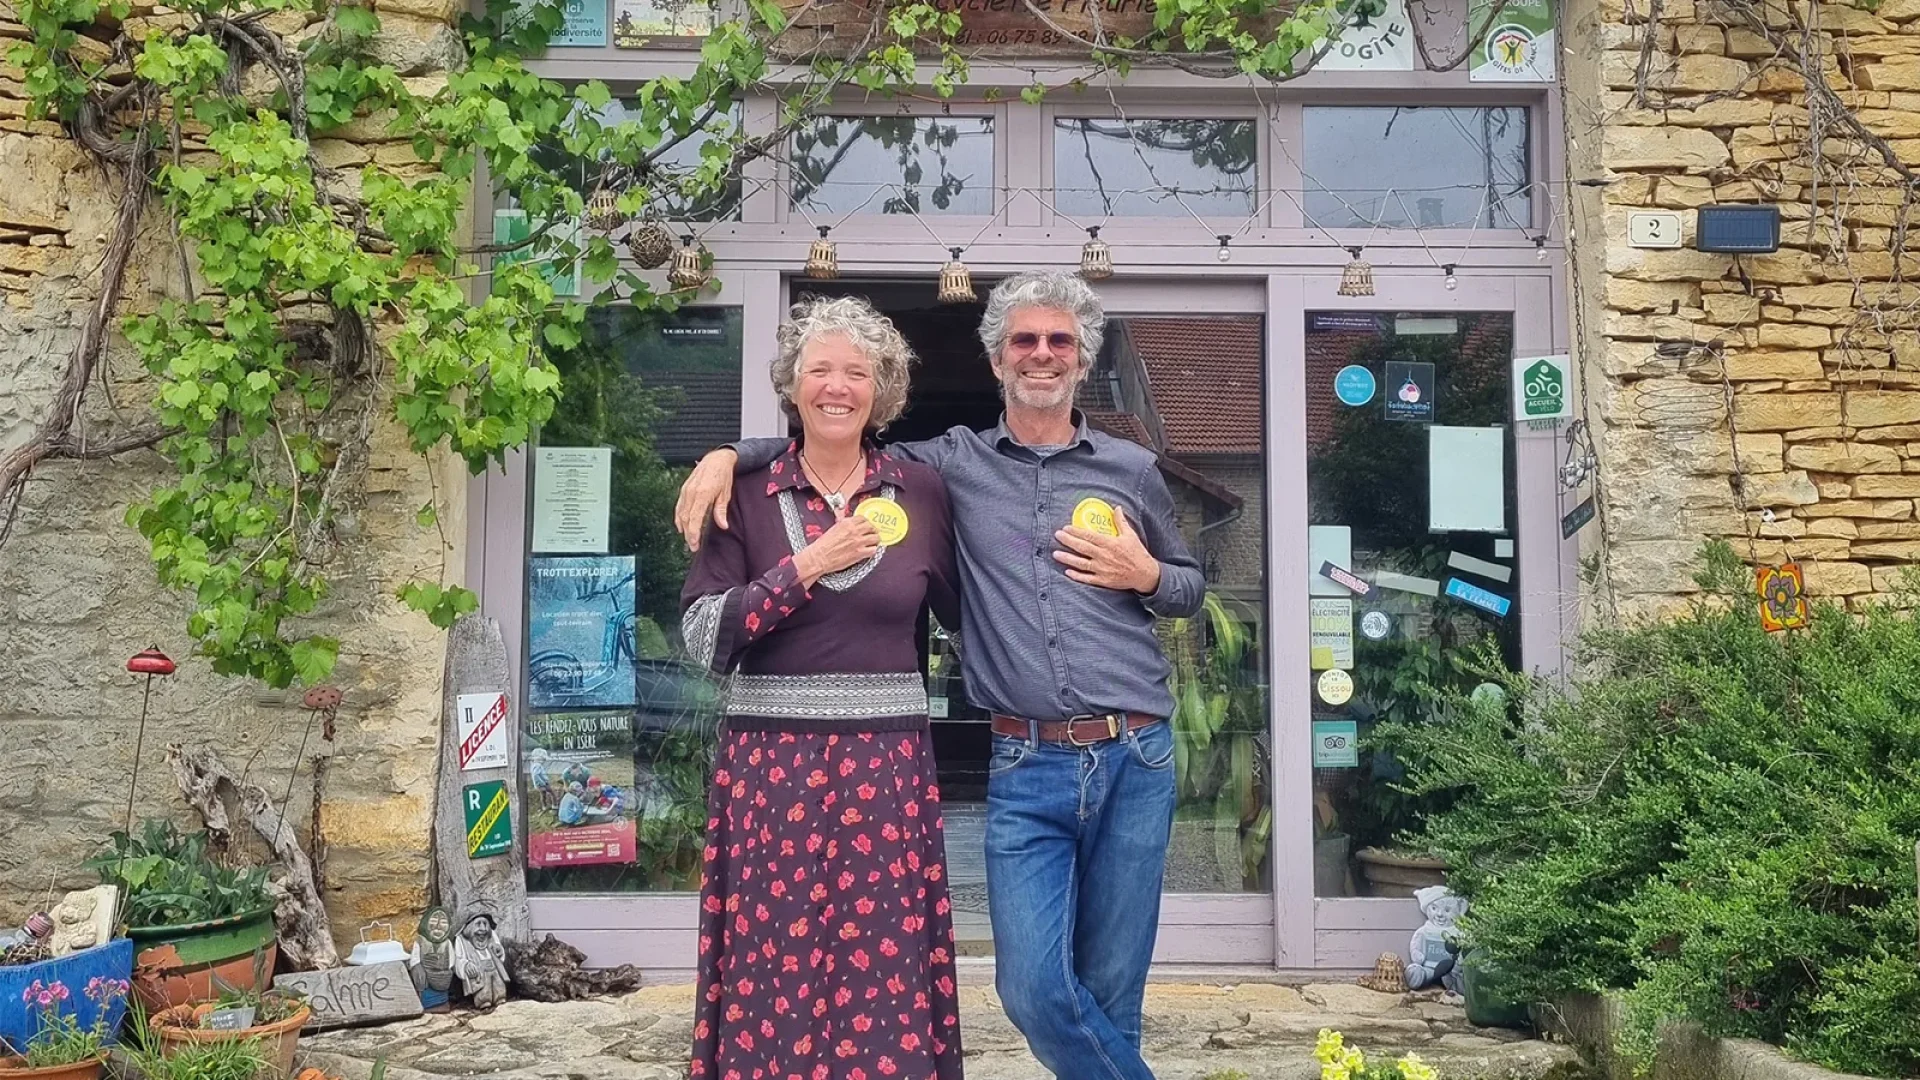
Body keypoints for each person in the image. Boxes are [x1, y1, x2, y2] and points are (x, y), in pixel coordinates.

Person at [676, 271, 1205, 1080]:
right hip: (1016, 761)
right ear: (996, 359)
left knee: (1109, 990)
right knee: (1031, 987)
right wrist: (728, 453)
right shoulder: (945, 467)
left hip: (1135, 752)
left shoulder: (1125, 470)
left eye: (1058, 340)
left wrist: (1146, 575)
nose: (1041, 354)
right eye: (1023, 340)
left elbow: (1189, 587)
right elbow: (830, 436)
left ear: (1082, 358)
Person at [680, 295, 964, 1080]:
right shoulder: (741, 492)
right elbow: (705, 641)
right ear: (792, 383)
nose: (836, 387)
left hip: (886, 776)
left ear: (883, 390)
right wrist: (808, 565)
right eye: (819, 369)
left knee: (884, 972)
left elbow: (973, 617)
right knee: (776, 971)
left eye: (857, 372)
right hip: (772, 776)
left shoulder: (923, 491)